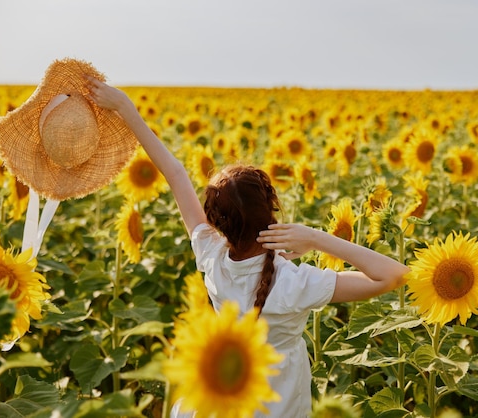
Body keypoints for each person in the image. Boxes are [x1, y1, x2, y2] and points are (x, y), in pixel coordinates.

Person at [85, 77, 410, 418]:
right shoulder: (293, 283)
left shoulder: (211, 257)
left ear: (216, 221)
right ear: (271, 209)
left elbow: (176, 173)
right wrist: (315, 237)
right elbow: (393, 276)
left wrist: (125, 108)